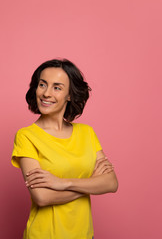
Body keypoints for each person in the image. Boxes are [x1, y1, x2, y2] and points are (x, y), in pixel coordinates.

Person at [11, 58, 118, 239]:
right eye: (42, 85)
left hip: (84, 235)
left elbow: (111, 183)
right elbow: (42, 197)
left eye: (57, 87)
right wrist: (91, 183)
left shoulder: (87, 133)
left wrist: (62, 183)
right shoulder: (26, 136)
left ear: (69, 95)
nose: (46, 93)